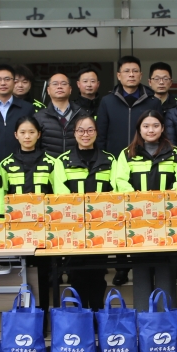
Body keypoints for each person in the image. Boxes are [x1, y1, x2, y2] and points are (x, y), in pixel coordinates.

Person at [111, 110, 177, 311]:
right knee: (141, 272)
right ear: (139, 129)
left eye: (155, 125)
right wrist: (141, 206)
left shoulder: (176, 154)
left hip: (167, 223)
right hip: (138, 223)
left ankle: (165, 321)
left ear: (162, 128)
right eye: (146, 126)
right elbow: (121, 183)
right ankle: (143, 321)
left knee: (166, 272)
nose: (150, 130)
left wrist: (162, 206)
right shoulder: (127, 154)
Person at [54, 114, 117, 309]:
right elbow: (60, 195)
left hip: (100, 229)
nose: (85, 134)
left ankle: (98, 316)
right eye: (81, 130)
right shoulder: (62, 161)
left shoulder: (109, 160)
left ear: (96, 133)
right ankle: (81, 319)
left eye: (90, 130)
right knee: (77, 277)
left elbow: (115, 193)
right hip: (73, 229)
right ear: (74, 133)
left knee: (98, 276)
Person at [96, 55, 162, 155]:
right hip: (114, 158)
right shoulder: (107, 101)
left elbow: (160, 134)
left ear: (140, 75)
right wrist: (103, 158)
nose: (131, 75)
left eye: (135, 71)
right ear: (119, 75)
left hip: (145, 158)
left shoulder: (153, 102)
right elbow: (101, 135)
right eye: (126, 71)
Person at [0, 115, 67, 195]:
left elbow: (60, 193)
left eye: (32, 132)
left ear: (38, 134)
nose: (27, 136)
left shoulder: (51, 163)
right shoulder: (6, 164)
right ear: (16, 135)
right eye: (22, 132)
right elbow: (0, 195)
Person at [35, 72, 90, 156]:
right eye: (55, 84)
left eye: (64, 84)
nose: (59, 86)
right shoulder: (39, 117)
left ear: (70, 89)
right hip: (49, 163)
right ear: (48, 90)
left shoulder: (82, 115)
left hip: (76, 162)